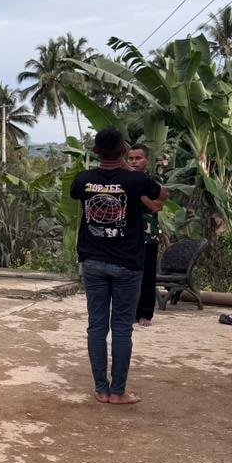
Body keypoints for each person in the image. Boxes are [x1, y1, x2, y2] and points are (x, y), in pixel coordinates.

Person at [70, 127, 166, 406]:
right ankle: (118, 391)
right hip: (127, 264)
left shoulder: (83, 180)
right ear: (123, 151)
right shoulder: (135, 180)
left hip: (93, 262)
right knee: (122, 327)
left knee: (96, 326)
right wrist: (128, 172)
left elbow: (76, 194)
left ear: (95, 151)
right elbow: (164, 194)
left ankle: (101, 389)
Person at [126, 144, 167, 327]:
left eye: (138, 158)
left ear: (147, 160)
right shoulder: (123, 180)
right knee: (127, 275)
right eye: (131, 158)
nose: (134, 162)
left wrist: (140, 193)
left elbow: (157, 206)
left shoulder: (154, 181)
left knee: (147, 275)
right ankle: (129, 312)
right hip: (127, 236)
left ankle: (145, 314)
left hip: (148, 235)